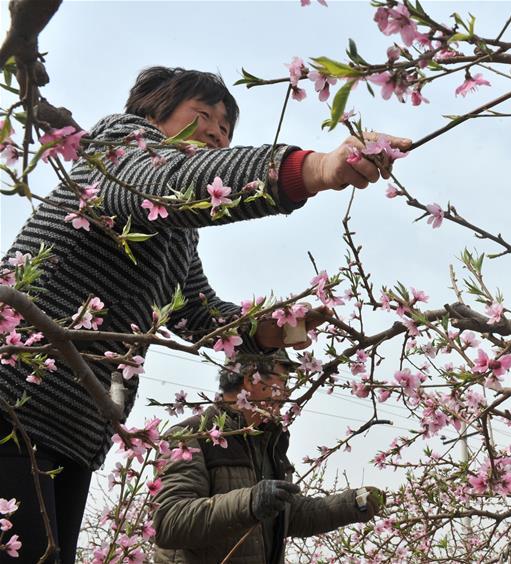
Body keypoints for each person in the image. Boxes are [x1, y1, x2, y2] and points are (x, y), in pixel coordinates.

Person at [0, 67, 408, 563]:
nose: (217, 132)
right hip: (15, 397)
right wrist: (316, 168)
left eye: (226, 127)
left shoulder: (176, 234)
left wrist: (271, 329)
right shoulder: (120, 148)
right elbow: (168, 182)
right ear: (153, 113)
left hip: (72, 429)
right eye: (204, 116)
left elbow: (196, 312)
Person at [153, 351, 384, 563]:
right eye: (282, 381)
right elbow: (169, 522)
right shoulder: (189, 437)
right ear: (250, 379)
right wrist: (250, 502)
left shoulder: (267, 442)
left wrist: (352, 504)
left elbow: (288, 515)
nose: (287, 393)